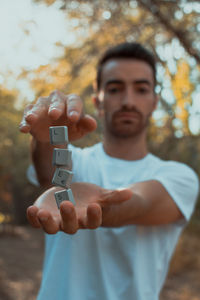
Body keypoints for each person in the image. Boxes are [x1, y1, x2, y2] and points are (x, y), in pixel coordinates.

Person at [20, 42, 199, 300]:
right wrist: (47, 135)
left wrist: (104, 206)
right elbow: (51, 176)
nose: (128, 101)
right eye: (115, 89)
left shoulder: (178, 176)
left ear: (154, 101)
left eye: (141, 89)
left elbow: (139, 203)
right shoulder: (76, 163)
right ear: (98, 100)